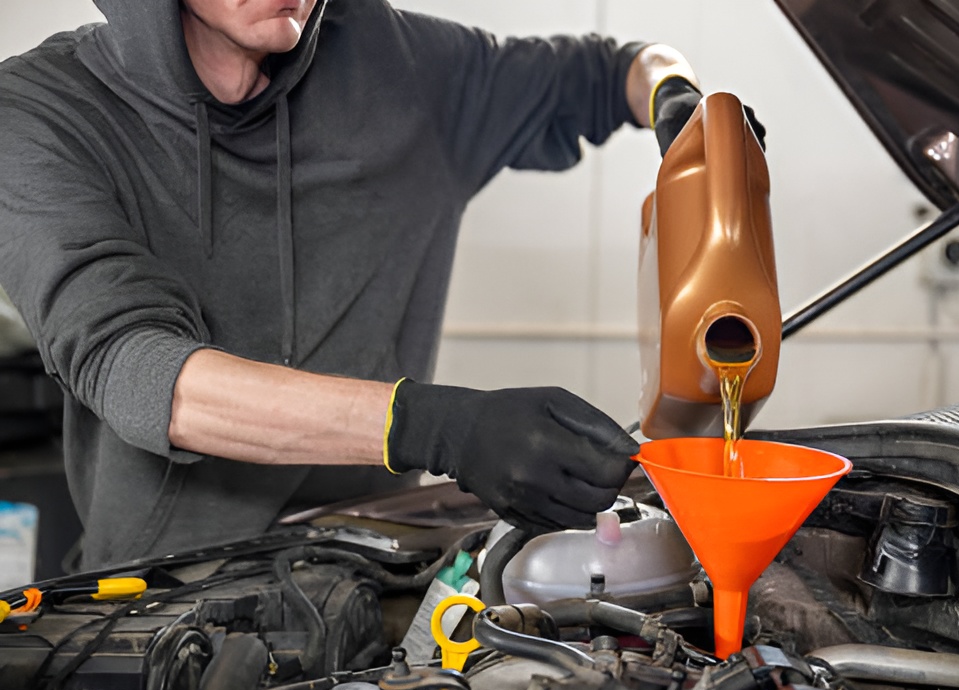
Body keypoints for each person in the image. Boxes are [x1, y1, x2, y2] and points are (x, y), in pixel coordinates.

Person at [0, 0, 742, 569]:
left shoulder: (405, 69)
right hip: (163, 598)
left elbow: (613, 69)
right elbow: (139, 371)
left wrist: (684, 105)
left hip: (374, 573)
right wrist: (434, 425)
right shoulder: (42, 114)